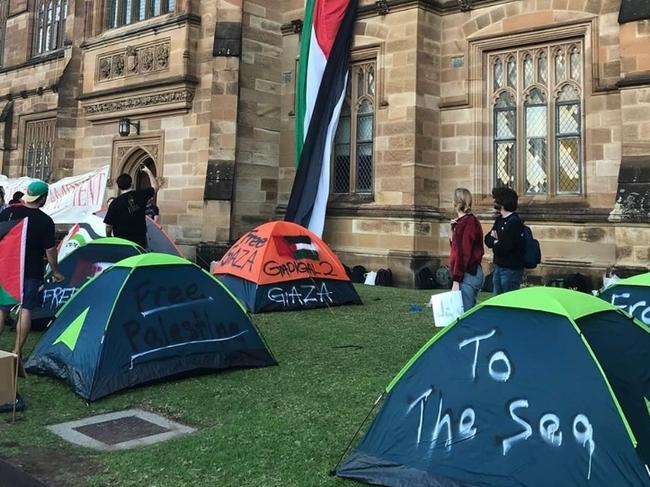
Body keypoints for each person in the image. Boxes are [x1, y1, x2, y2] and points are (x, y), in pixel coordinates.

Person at [0, 180, 64, 355]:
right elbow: (50, 251)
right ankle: (16, 352)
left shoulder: (7, 213)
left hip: (7, 268)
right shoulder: (45, 221)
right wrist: (56, 271)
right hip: (32, 270)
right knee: (26, 309)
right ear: (43, 198)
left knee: (3, 308)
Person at [104, 166, 159, 249]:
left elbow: (108, 226)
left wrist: (109, 237)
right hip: (139, 241)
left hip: (121, 242)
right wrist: (148, 171)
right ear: (131, 184)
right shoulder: (141, 195)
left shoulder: (115, 203)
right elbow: (155, 187)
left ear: (119, 187)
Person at [485, 186, 525, 295]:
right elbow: (487, 240)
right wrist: (495, 241)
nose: (494, 202)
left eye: (496, 199)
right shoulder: (499, 220)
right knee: (497, 299)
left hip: (511, 269)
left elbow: (504, 247)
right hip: (499, 266)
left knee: (509, 300)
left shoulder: (514, 222)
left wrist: (496, 242)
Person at [449, 188, 484, 311]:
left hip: (468, 274)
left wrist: (456, 280)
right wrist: (453, 231)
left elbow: (463, 254)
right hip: (467, 273)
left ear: (455, 202)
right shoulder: (464, 222)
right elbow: (456, 249)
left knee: (464, 314)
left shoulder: (467, 223)